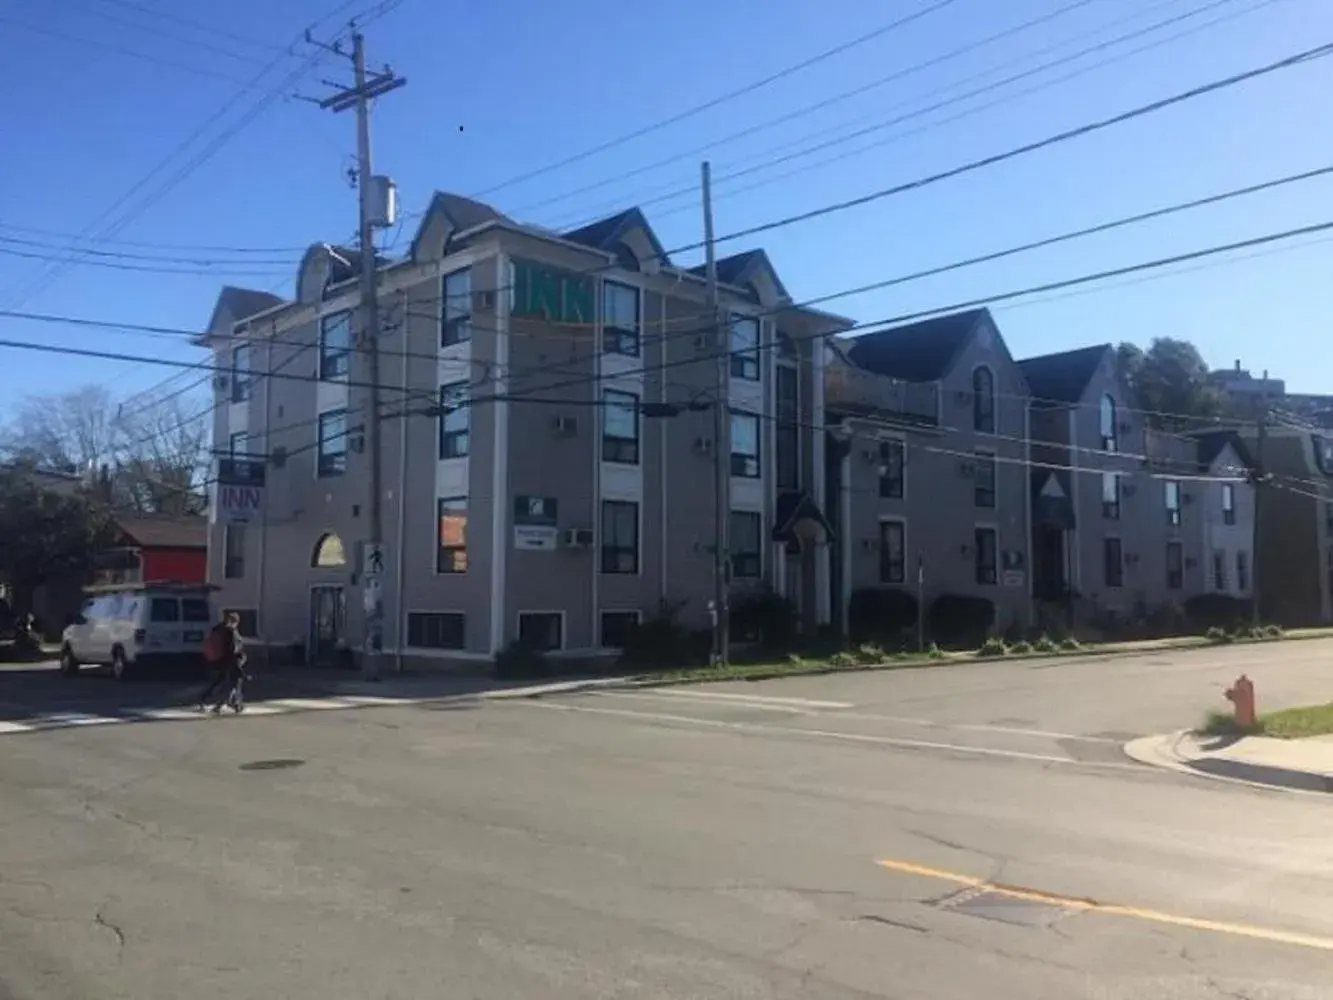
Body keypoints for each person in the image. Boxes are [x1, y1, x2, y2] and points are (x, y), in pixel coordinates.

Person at [198, 611, 247, 714]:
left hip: (222, 661)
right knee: (235, 683)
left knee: (220, 681)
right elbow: (234, 649)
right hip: (232, 662)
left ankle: (205, 699)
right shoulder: (231, 632)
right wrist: (240, 659)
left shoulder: (219, 629)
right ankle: (229, 704)